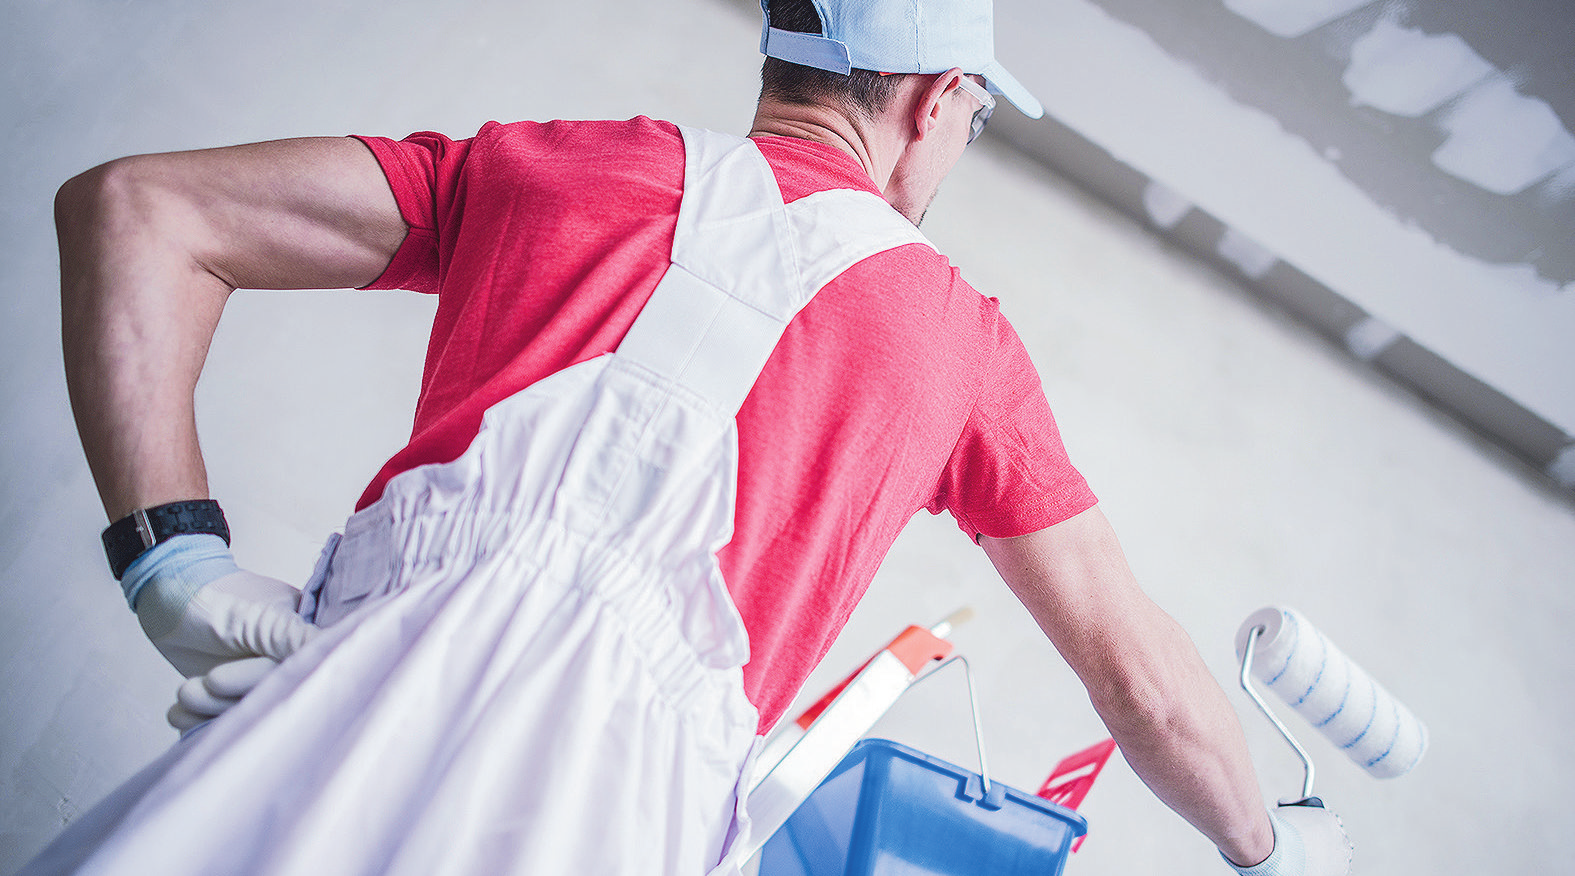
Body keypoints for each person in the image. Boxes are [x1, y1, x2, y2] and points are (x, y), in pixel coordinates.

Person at [32, 0, 1349, 873]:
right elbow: (1145, 681)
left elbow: (141, 209)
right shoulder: (958, 346)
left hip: (351, 699)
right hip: (617, 815)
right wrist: (1270, 843)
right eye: (975, 115)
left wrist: (178, 567)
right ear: (938, 98)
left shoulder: (550, 168)